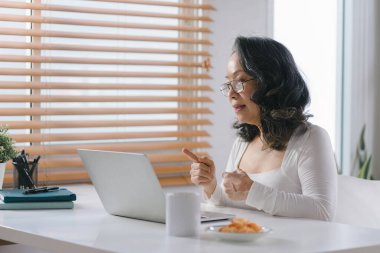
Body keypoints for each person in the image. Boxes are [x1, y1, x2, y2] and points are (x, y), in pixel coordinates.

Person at [183, 36, 337, 221]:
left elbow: (322, 211)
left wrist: (252, 191)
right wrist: (210, 185)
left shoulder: (311, 138)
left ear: (269, 82)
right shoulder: (243, 142)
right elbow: (235, 205)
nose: (231, 94)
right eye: (228, 84)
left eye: (239, 81)